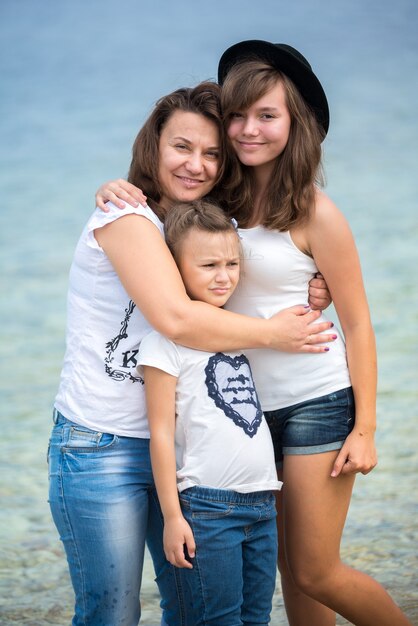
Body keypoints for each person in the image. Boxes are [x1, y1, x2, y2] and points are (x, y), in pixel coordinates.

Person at [97, 41, 412, 626]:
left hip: (316, 403)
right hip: (240, 410)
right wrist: (117, 187)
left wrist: (365, 427)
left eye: (266, 116)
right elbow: (162, 220)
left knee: (316, 569)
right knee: (290, 576)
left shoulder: (317, 211)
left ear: (295, 125)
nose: (247, 130)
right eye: (237, 115)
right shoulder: (215, 198)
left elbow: (359, 322)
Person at [49, 81, 336, 626]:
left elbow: (250, 275)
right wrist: (273, 334)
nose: (195, 165)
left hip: (186, 455)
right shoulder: (124, 218)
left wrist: (311, 287)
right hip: (101, 444)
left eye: (211, 154)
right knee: (113, 612)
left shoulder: (200, 228)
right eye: (181, 147)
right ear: (153, 148)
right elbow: (178, 319)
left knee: (192, 610)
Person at [138, 199, 282, 625]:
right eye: (208, 266)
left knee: (257, 619)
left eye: (232, 264)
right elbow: (161, 433)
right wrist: (171, 517)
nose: (224, 277)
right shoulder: (163, 344)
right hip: (207, 508)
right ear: (175, 268)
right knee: (215, 620)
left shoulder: (238, 328)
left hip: (262, 503)